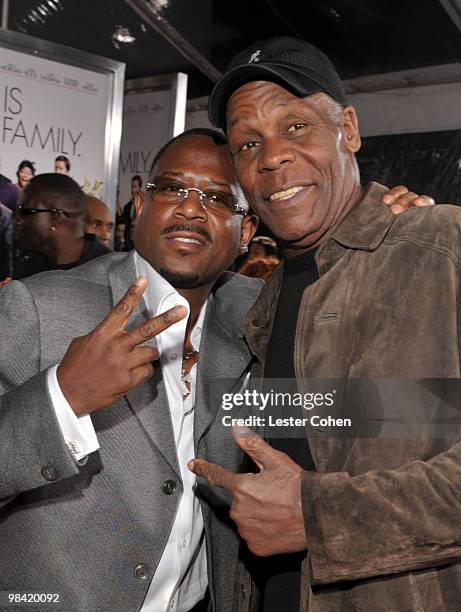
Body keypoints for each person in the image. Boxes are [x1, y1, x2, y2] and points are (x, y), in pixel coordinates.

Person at [189, 36, 461, 612]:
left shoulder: (442, 248)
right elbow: (346, 421)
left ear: (350, 130)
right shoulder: (261, 304)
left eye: (295, 127)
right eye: (247, 143)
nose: (271, 157)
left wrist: (319, 518)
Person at [0, 128, 262, 611]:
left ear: (245, 233)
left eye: (218, 198)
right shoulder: (35, 306)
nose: (190, 207)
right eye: (173, 188)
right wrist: (61, 397)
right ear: (140, 203)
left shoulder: (251, 318)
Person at [13, 173, 110, 280]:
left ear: (56, 219)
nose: (17, 220)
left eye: (24, 211)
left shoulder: (113, 272)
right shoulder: (25, 272)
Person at [122, 174, 143, 250]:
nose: (132, 189)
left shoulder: (144, 206)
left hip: (139, 241)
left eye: (135, 186)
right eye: (132, 186)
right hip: (128, 243)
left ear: (139, 188)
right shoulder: (127, 206)